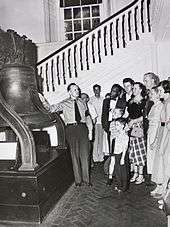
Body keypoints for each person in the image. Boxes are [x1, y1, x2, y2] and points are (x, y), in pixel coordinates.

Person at [43, 83, 93, 187]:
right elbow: (51, 109)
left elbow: (88, 117)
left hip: (83, 129)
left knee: (85, 155)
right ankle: (78, 181)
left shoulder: (83, 102)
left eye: (78, 89)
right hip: (71, 129)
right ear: (69, 92)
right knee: (74, 155)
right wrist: (43, 101)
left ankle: (86, 180)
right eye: (74, 90)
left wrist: (90, 131)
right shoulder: (64, 103)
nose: (77, 91)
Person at [152, 80, 170, 197]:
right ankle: (163, 189)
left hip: (167, 133)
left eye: (161, 90)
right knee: (162, 161)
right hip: (163, 131)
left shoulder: (168, 103)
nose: (159, 93)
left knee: (166, 161)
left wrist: (164, 140)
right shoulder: (166, 102)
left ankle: (165, 192)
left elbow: (167, 122)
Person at [127, 82, 147, 184]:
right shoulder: (130, 101)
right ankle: (135, 173)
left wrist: (134, 122)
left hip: (138, 127)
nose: (133, 90)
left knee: (140, 151)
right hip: (131, 127)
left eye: (135, 88)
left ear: (140, 90)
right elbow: (130, 115)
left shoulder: (144, 102)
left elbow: (144, 117)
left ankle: (141, 175)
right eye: (133, 88)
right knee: (133, 151)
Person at [146, 87, 163, 187]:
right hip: (151, 131)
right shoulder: (153, 106)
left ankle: (158, 181)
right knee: (150, 155)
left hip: (156, 132)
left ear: (157, 94)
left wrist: (156, 139)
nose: (150, 95)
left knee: (155, 155)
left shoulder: (160, 106)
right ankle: (153, 178)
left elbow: (160, 123)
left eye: (152, 93)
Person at [110, 117, 129, 192]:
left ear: (122, 126)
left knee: (123, 172)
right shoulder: (117, 134)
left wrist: (122, 158)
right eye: (115, 125)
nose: (116, 126)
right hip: (117, 154)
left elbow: (125, 147)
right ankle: (119, 184)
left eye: (117, 125)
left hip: (122, 155)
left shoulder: (125, 136)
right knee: (117, 170)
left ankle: (124, 187)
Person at [90, 84, 104, 163]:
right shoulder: (91, 100)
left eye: (98, 89)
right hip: (94, 123)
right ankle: (95, 157)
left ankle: (101, 156)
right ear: (93, 91)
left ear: (100, 90)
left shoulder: (103, 99)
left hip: (101, 122)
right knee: (95, 140)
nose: (96, 91)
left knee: (101, 140)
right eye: (95, 90)